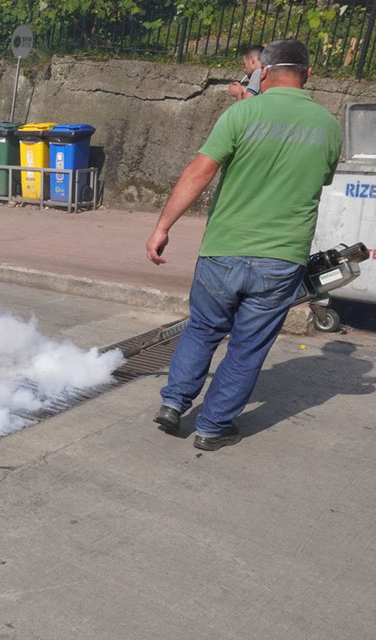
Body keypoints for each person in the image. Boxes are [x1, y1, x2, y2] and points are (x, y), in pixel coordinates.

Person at [144, 39, 342, 451]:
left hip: (223, 250)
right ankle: (213, 427)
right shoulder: (328, 125)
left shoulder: (241, 113)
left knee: (202, 329)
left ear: (263, 72)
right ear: (309, 75)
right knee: (248, 347)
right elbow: (322, 180)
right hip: (280, 259)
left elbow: (199, 171)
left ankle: (174, 404)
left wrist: (163, 226)